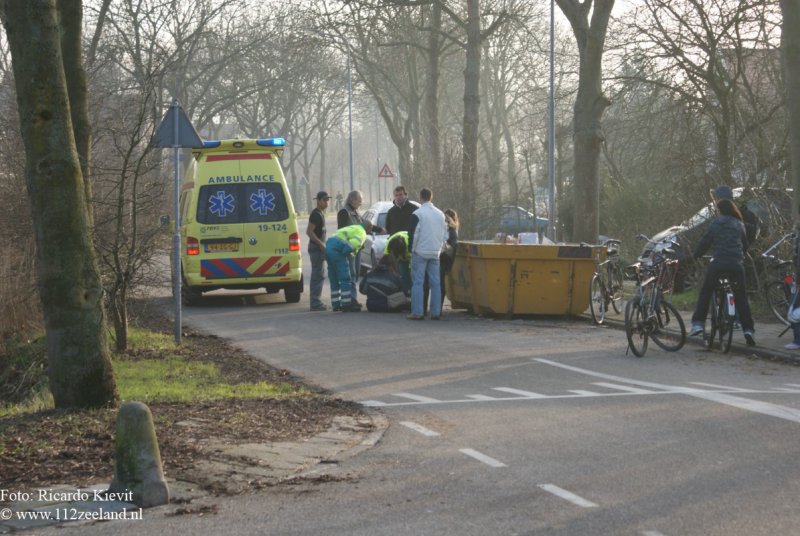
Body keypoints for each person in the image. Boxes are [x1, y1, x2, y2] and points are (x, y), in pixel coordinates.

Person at [688, 198, 756, 346]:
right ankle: (748, 330)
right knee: (741, 297)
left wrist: (696, 255)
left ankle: (698, 323)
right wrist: (740, 255)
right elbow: (745, 245)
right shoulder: (739, 224)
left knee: (706, 291)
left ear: (719, 210)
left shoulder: (716, 223)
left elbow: (705, 241)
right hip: (736, 265)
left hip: (718, 263)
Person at [407, 188, 447, 321]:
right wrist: (440, 249)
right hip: (435, 252)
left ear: (420, 197)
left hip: (420, 252)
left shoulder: (417, 214)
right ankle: (436, 312)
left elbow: (414, 234)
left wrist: (411, 250)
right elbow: (444, 234)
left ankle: (417, 312)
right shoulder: (441, 214)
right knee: (436, 283)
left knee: (418, 282)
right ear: (431, 197)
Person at [337, 190, 384, 304]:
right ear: (352, 200)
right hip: (349, 249)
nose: (361, 202)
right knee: (351, 274)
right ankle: (350, 299)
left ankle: (352, 298)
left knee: (356, 274)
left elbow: (367, 225)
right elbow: (342, 231)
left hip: (357, 248)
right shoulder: (344, 212)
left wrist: (381, 230)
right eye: (359, 200)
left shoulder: (355, 212)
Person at [326, 224, 368, 312]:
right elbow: (352, 245)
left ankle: (335, 305)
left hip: (329, 246)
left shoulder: (353, 227)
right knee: (345, 278)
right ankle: (346, 305)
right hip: (338, 250)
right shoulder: (362, 232)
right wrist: (345, 254)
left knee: (334, 279)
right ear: (369, 228)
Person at [307, 191, 331, 311]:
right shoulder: (315, 214)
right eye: (325, 200)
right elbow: (309, 232)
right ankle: (315, 303)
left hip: (319, 248)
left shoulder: (321, 213)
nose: (327, 202)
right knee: (317, 275)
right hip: (316, 249)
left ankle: (316, 301)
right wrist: (320, 243)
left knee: (320, 274)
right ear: (319, 200)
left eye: (328, 200)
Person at [439, 209, 459, 308]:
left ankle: (437, 307)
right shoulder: (453, 231)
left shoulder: (448, 230)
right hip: (445, 259)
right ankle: (438, 308)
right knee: (440, 283)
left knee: (438, 283)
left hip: (442, 258)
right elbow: (453, 248)